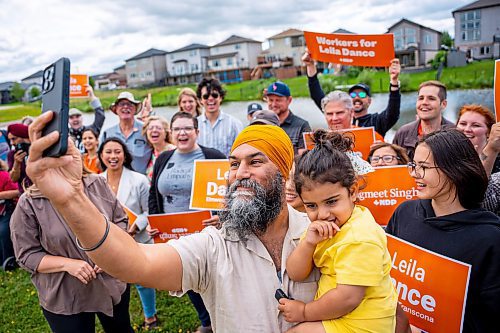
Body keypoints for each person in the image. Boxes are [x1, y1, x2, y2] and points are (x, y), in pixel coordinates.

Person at [25, 113, 411, 332]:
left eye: (254, 162)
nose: (238, 173)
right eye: (232, 164)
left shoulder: (334, 229)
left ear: (285, 170)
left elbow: (388, 308)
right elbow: (133, 263)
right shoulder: (212, 246)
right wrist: (70, 197)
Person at [278, 130, 397, 332]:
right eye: (311, 206)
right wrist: (308, 243)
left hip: (363, 323)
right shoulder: (321, 227)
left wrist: (304, 312)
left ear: (352, 191)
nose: (323, 214)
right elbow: (295, 273)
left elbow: (348, 297)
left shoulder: (360, 236)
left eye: (331, 202)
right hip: (343, 315)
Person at [386, 129, 500, 333]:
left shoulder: (490, 239)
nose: (414, 174)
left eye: (424, 167)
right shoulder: (404, 213)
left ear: (455, 170)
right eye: (413, 165)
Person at [10, 167, 134, 333]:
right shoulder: (29, 202)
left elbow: (120, 220)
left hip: (110, 282)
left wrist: (109, 255)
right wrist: (68, 265)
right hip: (66, 293)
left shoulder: (96, 184)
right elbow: (26, 254)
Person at [149, 111, 224, 332]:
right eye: (177, 129)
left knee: (212, 278)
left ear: (197, 132)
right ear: (170, 133)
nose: (182, 133)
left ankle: (222, 319)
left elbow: (229, 193)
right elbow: (154, 194)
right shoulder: (163, 158)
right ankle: (207, 322)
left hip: (207, 233)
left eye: (187, 128)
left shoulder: (213, 156)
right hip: (174, 234)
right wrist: (155, 222)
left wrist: (224, 218)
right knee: (187, 277)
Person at [98, 137, 158, 330]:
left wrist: (135, 227)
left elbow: (149, 211)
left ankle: (150, 315)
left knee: (142, 280)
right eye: (108, 152)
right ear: (101, 156)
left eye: (117, 152)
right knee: (113, 280)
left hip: (136, 237)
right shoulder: (96, 182)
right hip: (108, 241)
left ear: (125, 155)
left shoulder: (138, 180)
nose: (113, 156)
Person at [303, 51, 401, 138]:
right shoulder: (337, 116)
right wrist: (310, 66)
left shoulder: (377, 121)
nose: (357, 97)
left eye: (362, 95)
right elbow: (317, 95)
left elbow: (393, 112)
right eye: (353, 95)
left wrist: (394, 81)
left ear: (369, 101)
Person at [393, 80, 455, 159]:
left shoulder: (454, 134)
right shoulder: (403, 133)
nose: (424, 102)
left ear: (443, 104)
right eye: (421, 98)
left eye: (431, 98)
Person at [101, 91, 152, 174]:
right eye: (121, 104)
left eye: (130, 104)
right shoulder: (107, 133)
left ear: (135, 109)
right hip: (115, 182)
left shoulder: (146, 129)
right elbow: (100, 158)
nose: (125, 107)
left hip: (142, 182)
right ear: (116, 109)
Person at [196, 78, 243, 156]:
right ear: (200, 100)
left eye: (214, 95)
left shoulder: (234, 124)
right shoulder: (194, 125)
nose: (210, 99)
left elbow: (241, 151)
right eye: (206, 96)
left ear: (220, 97)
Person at [265, 81, 311, 155]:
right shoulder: (263, 125)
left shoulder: (303, 125)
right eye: (270, 100)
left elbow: (310, 156)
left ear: (289, 100)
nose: (273, 104)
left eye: (278, 100)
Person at [320, 91, 384, 141]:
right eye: (329, 114)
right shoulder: (319, 140)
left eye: (339, 113)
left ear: (351, 112)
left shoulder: (371, 137)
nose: (334, 118)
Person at [455, 104, 500, 175]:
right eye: (463, 124)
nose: (467, 129)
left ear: (489, 132)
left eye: (476, 125)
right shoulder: (447, 156)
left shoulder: (497, 162)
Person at [68, 84, 105, 153]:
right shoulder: (65, 134)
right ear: (68, 120)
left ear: (82, 118)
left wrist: (92, 96)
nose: (75, 119)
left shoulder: (91, 130)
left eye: (77, 116)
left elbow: (100, 116)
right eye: (71, 117)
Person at [141, 115, 176, 182]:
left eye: (158, 128)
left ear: (166, 133)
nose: (154, 130)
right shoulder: (149, 153)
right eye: (151, 128)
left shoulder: (174, 151)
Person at [0, 159, 19, 271]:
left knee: (3, 230)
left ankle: (10, 259)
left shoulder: (4, 175)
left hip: (7, 209)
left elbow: (17, 192)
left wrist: (1, 195)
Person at [7, 123, 32, 192]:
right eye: (10, 140)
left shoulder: (37, 149)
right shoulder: (12, 154)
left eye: (14, 139)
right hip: (25, 193)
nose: (12, 143)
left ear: (24, 137)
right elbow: (13, 179)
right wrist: (16, 164)